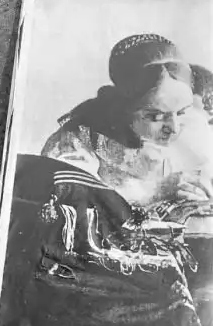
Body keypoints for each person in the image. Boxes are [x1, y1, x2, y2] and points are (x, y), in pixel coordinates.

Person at [41, 33, 213, 210]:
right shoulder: (78, 141)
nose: (174, 128)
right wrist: (155, 193)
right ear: (124, 108)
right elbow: (70, 204)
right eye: (155, 116)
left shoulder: (193, 127)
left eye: (182, 112)